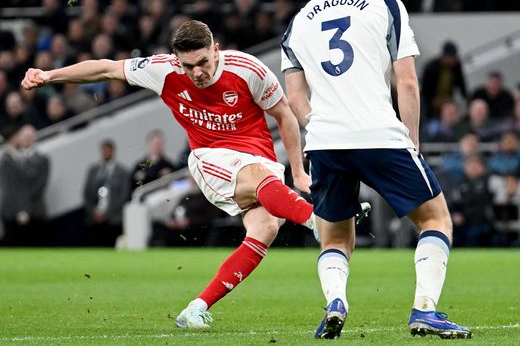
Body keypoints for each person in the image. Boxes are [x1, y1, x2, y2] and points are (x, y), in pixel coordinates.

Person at [21, 20, 369, 329]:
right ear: (177, 60)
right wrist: (50, 75)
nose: (198, 72)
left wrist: (298, 173)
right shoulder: (163, 70)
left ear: (215, 50)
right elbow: (106, 69)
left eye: (203, 62)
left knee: (263, 230)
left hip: (260, 159)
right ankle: (319, 221)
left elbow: (285, 116)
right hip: (209, 158)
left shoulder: (248, 69)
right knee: (261, 182)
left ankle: (196, 308)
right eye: (189, 66)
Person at [280, 0, 471, 339]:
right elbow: (406, 81)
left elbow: (295, 99)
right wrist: (414, 141)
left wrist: (324, 125)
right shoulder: (386, 5)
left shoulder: (299, 21)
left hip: (326, 142)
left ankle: (336, 302)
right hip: (380, 135)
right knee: (436, 219)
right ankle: (424, 309)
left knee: (334, 239)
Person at [0, 125, 50, 246]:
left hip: (35, 211)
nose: (26, 139)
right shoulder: (12, 158)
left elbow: (38, 187)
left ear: (34, 138)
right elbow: (11, 187)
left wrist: (24, 210)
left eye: (29, 137)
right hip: (14, 213)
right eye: (23, 136)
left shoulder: (43, 159)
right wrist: (20, 210)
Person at [83, 139, 132, 247]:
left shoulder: (123, 172)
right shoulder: (93, 170)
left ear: (113, 151)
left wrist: (106, 213)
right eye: (104, 150)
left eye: (108, 150)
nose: (106, 153)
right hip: (94, 218)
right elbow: (87, 193)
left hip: (113, 219)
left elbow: (124, 196)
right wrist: (93, 212)